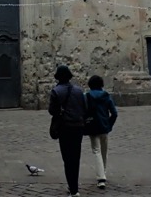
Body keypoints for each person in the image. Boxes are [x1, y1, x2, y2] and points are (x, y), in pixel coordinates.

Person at [49, 65, 86, 197]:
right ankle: (74, 187)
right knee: (75, 157)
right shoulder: (78, 91)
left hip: (65, 127)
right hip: (78, 127)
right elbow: (83, 108)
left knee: (67, 158)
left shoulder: (56, 91)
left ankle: (73, 188)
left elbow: (52, 111)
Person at [84, 75, 118, 191]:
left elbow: (84, 111)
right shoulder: (106, 96)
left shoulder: (87, 96)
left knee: (96, 151)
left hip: (92, 126)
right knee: (104, 151)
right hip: (104, 126)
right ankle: (103, 173)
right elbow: (114, 113)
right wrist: (109, 124)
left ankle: (101, 178)